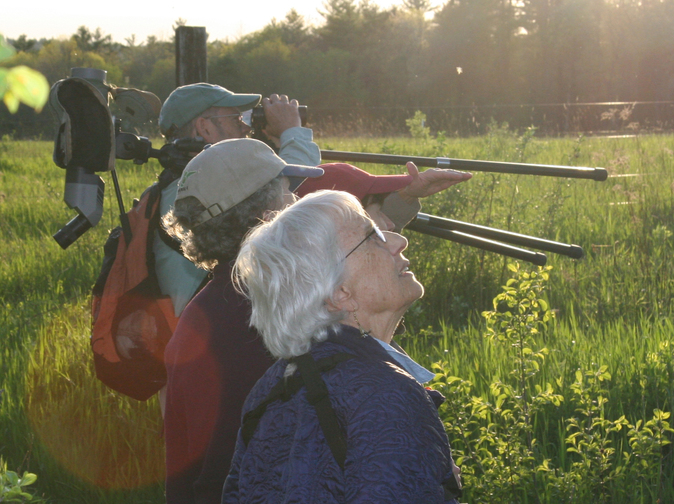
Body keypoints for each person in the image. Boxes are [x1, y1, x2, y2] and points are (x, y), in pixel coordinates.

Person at [162, 140, 469, 504]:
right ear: (268, 220)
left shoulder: (213, 309)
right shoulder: (260, 318)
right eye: (288, 195)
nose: (295, 204)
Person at [223, 190, 461, 503]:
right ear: (340, 293)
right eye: (372, 236)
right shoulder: (387, 394)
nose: (398, 242)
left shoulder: (271, 387)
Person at [154, 83, 320, 317]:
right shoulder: (203, 187)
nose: (245, 127)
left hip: (209, 318)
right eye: (236, 118)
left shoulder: (179, 184)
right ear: (205, 128)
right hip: (217, 325)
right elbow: (288, 195)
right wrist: (291, 132)